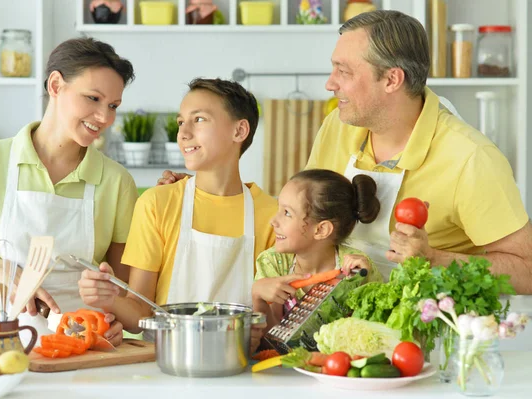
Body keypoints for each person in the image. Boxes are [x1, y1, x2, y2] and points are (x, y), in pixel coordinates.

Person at [161, 10, 532, 294]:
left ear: (391, 79)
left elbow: (526, 270)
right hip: (339, 331)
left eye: (344, 71)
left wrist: (436, 260)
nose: (329, 83)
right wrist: (205, 190)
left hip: (428, 341)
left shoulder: (471, 158)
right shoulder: (337, 127)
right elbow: (304, 217)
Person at [0, 37, 138, 344]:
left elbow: (124, 291)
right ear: (56, 85)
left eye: (113, 106)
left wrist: (113, 323)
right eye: (93, 98)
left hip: (81, 353)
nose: (105, 118)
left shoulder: (117, 181)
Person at [78, 78, 277, 351]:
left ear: (239, 130)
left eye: (200, 119)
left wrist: (261, 330)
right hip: (165, 366)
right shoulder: (157, 203)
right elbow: (141, 313)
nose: (183, 133)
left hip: (241, 367)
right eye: (181, 121)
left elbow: (276, 313)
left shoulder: (272, 215)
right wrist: (107, 298)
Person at [252, 169, 384, 330]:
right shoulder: (272, 262)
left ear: (321, 230)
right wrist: (258, 295)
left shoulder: (357, 266)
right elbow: (268, 339)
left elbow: (377, 326)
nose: (273, 221)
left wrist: (364, 283)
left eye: (287, 213)